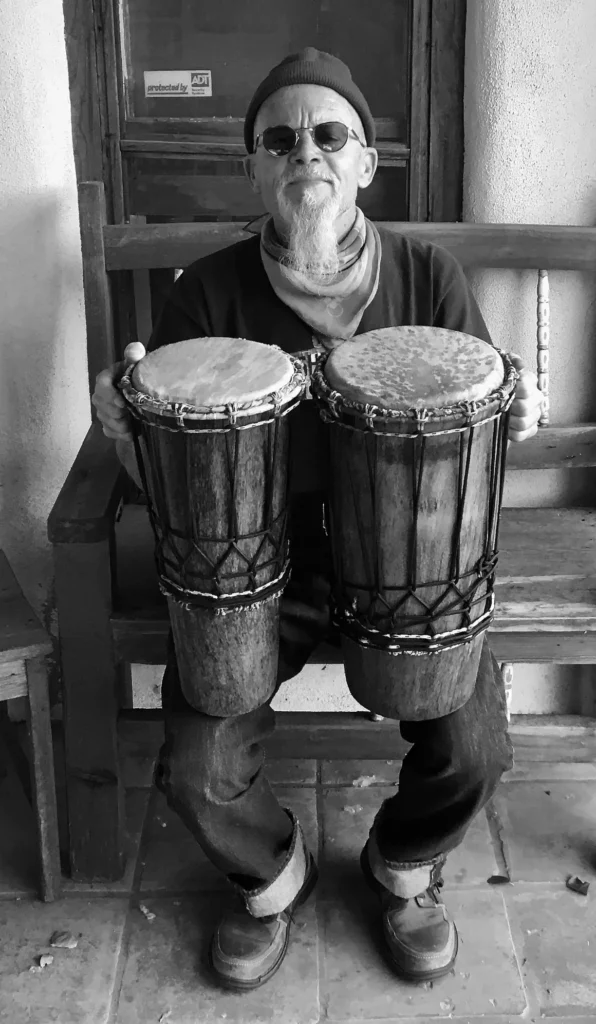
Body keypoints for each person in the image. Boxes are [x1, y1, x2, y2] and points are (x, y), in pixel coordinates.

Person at [93, 49, 542, 992]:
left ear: (366, 162)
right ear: (256, 167)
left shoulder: (428, 277)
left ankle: (403, 869)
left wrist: (516, 405)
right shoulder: (205, 294)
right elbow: (163, 466)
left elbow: (477, 409)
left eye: (330, 134)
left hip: (418, 571)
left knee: (478, 743)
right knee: (199, 762)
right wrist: (127, 419)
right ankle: (269, 878)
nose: (308, 154)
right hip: (256, 577)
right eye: (281, 139)